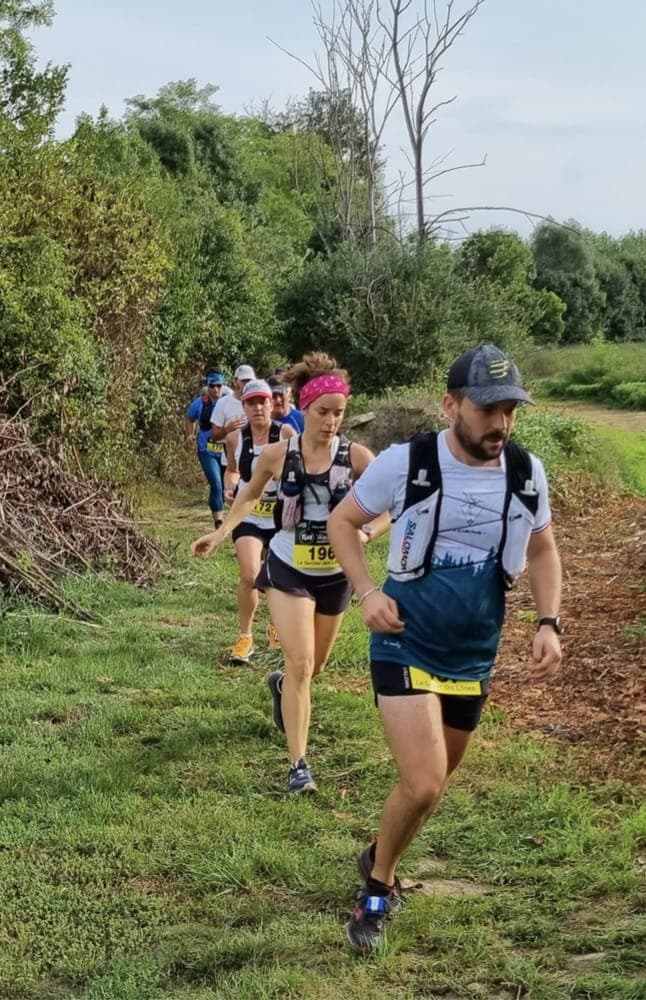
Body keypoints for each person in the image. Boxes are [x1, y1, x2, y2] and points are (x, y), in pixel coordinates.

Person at [327, 343, 563, 953]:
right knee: (426, 781)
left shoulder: (525, 471)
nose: (501, 423)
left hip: (473, 653)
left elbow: (540, 550)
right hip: (404, 643)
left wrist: (548, 622)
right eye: (487, 408)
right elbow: (342, 524)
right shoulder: (407, 463)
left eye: (510, 409)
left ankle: (380, 852)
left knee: (428, 784)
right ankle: (376, 895)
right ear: (451, 404)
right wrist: (367, 592)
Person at [191, 352, 384, 794]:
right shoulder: (278, 455)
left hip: (335, 575)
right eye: (322, 412)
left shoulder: (357, 457)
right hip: (288, 567)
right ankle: (299, 765)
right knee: (299, 663)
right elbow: (247, 497)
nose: (331, 421)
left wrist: (370, 530)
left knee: (314, 668)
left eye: (339, 413)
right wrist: (221, 534)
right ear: (302, 405)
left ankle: (281, 686)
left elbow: (392, 499)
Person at [222, 379, 296, 663]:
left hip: (280, 517)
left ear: (272, 403)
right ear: (244, 406)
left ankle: (276, 627)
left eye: (262, 401)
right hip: (249, 515)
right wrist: (231, 486)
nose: (257, 408)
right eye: (251, 403)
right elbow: (232, 471)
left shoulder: (287, 433)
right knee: (250, 575)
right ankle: (245, 637)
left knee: (275, 579)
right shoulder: (235, 439)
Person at [184, 371, 226, 528]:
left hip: (226, 451)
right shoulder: (201, 402)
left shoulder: (230, 401)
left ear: (223, 385)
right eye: (212, 386)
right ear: (208, 386)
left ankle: (226, 514)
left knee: (224, 486)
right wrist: (190, 434)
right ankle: (218, 522)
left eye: (219, 386)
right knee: (216, 484)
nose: (215, 389)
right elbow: (189, 417)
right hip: (206, 450)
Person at [209, 364, 256, 458]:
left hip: (253, 460)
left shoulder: (259, 403)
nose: (247, 384)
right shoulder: (223, 403)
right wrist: (227, 429)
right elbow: (214, 435)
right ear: (235, 381)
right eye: (243, 380)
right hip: (229, 461)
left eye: (249, 380)